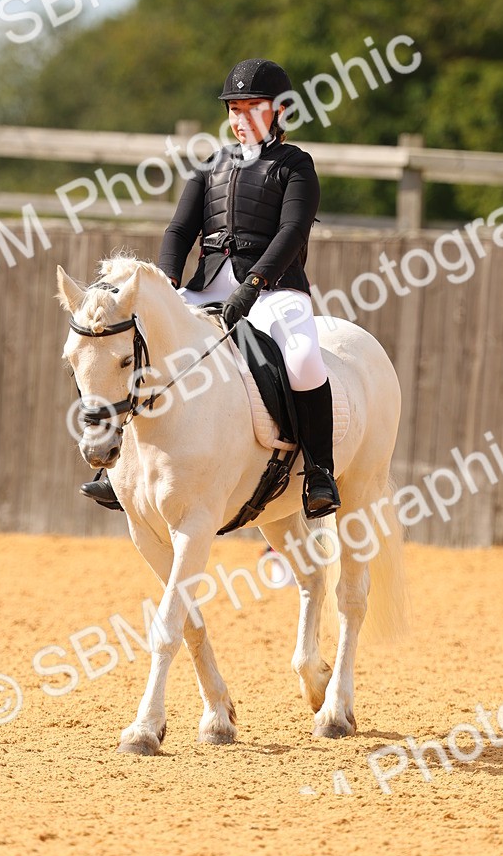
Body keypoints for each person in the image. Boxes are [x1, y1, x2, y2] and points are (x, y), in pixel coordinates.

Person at [81, 57, 341, 518]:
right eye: (234, 110)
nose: (241, 120)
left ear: (279, 111)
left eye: (252, 108)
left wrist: (252, 287)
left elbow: (292, 233)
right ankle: (115, 468)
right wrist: (165, 284)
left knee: (302, 361)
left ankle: (319, 470)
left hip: (273, 290)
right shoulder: (210, 165)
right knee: (140, 342)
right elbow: (180, 230)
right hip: (205, 287)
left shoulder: (296, 165)